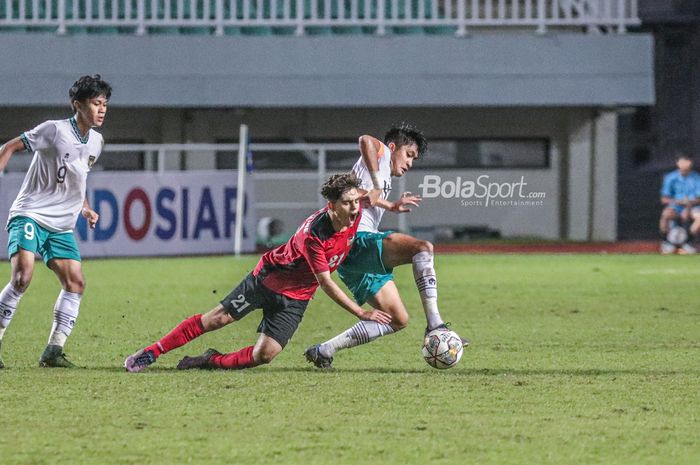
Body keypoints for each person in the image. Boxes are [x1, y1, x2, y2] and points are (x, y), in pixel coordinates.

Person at [124, 173, 391, 372]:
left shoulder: (355, 210)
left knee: (264, 355)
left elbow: (371, 195)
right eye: (347, 203)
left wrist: (393, 203)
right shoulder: (314, 236)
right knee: (217, 319)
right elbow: (326, 283)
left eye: (356, 202)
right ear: (332, 206)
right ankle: (152, 351)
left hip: (296, 298)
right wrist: (361, 312)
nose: (355, 208)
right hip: (267, 280)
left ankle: (208, 360)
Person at [304, 122, 469, 369]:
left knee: (396, 319)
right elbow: (365, 140)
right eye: (409, 154)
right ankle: (435, 323)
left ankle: (324, 350)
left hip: (350, 257)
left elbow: (363, 196)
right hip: (357, 241)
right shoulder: (381, 154)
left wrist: (388, 204)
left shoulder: (379, 174)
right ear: (393, 147)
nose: (410, 162)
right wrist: (378, 186)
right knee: (422, 248)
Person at [0, 74, 110, 368]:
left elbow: (78, 180)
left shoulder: (97, 142)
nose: (102, 109)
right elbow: (8, 147)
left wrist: (85, 207)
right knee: (22, 276)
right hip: (31, 213)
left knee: (75, 282)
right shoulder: (54, 130)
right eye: (96, 103)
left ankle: (53, 350)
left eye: (104, 104)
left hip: (62, 225)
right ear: (78, 104)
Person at [659, 153, 700, 255]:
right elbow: (664, 199)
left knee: (698, 217)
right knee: (666, 214)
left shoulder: (696, 177)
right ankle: (667, 243)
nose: (685, 164)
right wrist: (678, 202)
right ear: (678, 163)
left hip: (692, 206)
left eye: (687, 161)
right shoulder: (670, 177)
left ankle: (688, 243)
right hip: (676, 206)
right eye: (683, 161)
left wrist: (689, 204)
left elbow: (699, 197)